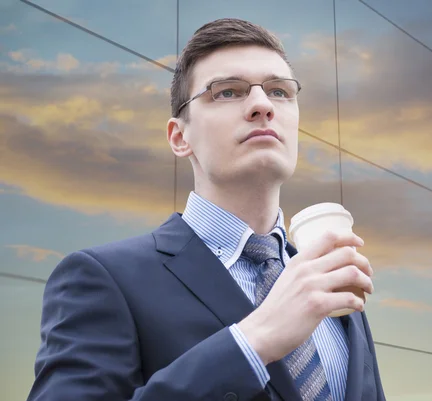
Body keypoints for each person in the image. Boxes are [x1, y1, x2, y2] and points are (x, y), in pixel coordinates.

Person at [26, 18, 385, 401]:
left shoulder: (329, 283)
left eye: (280, 91)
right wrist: (252, 342)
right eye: (228, 92)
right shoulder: (103, 278)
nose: (263, 105)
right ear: (180, 137)